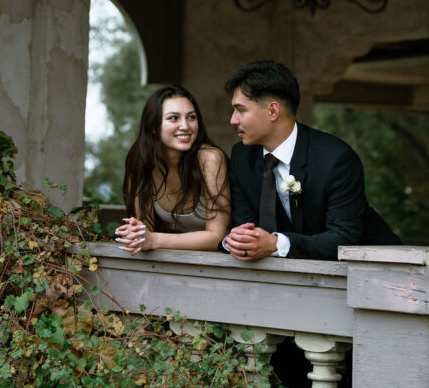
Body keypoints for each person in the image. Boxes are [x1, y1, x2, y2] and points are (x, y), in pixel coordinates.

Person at [224, 59, 400, 261]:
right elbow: (246, 227)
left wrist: (276, 244)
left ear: (273, 111)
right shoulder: (242, 157)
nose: (233, 120)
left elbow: (343, 239)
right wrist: (241, 240)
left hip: (376, 271)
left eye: (241, 110)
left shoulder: (336, 159)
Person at [114, 85, 230, 254]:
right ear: (153, 126)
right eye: (174, 118)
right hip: (172, 262)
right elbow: (144, 231)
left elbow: (218, 237)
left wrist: (154, 239)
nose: (185, 126)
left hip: (221, 264)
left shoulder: (210, 158)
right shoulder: (140, 160)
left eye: (191, 117)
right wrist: (134, 234)